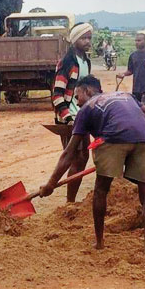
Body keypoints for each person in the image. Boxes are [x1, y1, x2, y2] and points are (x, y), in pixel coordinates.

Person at [40, 75, 145, 252]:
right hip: (142, 138)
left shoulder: (87, 108)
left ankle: (100, 243)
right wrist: (136, 138)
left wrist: (50, 184)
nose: (78, 103)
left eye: (78, 96)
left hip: (111, 138)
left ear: (87, 91)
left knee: (101, 190)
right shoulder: (125, 95)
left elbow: (69, 153)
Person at [51, 22, 93, 202]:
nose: (87, 41)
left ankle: (71, 200)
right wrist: (66, 116)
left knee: (83, 157)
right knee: (74, 157)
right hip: (70, 118)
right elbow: (57, 93)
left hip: (83, 116)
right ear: (75, 39)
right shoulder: (67, 62)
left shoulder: (86, 61)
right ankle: (70, 202)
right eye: (84, 38)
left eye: (90, 38)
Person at [118, 32, 145, 105]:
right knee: (137, 107)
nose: (137, 42)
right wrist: (123, 74)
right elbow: (130, 70)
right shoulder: (133, 56)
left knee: (144, 106)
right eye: (136, 41)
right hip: (136, 87)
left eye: (139, 40)